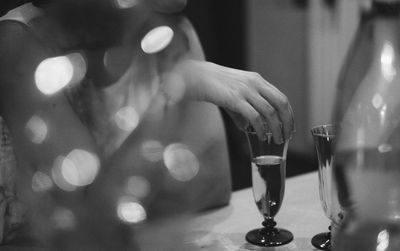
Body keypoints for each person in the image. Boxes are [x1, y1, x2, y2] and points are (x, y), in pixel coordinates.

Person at [0, 0, 295, 248]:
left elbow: (211, 194)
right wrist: (173, 86)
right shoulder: (17, 41)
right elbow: (91, 225)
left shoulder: (170, 34)